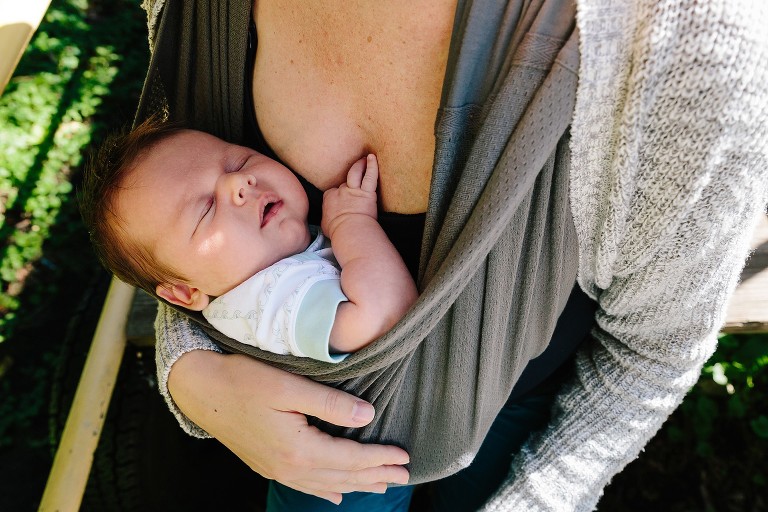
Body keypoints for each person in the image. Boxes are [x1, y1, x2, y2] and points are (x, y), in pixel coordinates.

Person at [132, 0, 768, 510]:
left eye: (240, 168)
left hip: (517, 416)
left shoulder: (689, 33)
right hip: (303, 450)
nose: (236, 186)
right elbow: (155, 210)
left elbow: (648, 354)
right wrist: (192, 374)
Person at [80, 122, 418, 363]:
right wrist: (351, 223)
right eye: (207, 208)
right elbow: (386, 317)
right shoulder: (270, 302)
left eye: (236, 161)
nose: (238, 182)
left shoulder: (264, 270)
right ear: (184, 293)